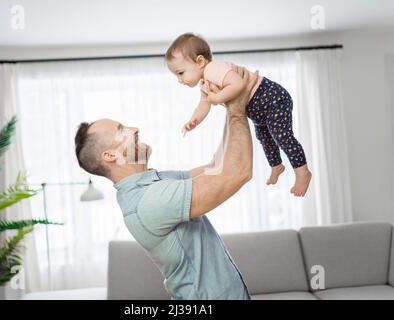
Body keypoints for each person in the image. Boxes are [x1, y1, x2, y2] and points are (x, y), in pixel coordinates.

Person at [74, 65, 256, 300]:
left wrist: (226, 103)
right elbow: (237, 173)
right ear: (110, 156)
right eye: (122, 130)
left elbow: (216, 167)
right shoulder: (148, 201)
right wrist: (236, 107)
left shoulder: (152, 183)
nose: (135, 129)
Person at [165, 32, 312, 197]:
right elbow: (204, 104)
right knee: (264, 137)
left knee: (281, 135)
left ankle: (302, 171)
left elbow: (238, 83)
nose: (179, 80)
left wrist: (217, 98)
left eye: (180, 73)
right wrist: (194, 120)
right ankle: (276, 165)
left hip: (271, 99)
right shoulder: (205, 82)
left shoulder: (213, 69)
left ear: (199, 61)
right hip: (258, 111)